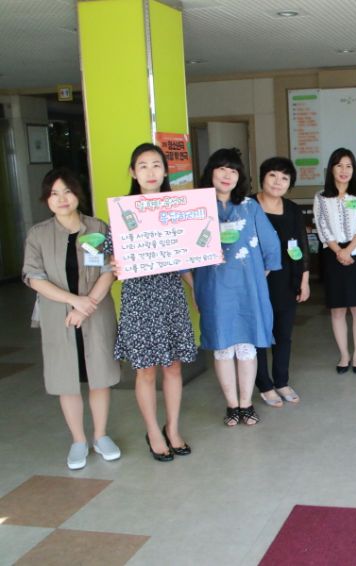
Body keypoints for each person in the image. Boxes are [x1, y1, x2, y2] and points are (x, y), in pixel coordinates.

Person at [22, 168, 122, 470]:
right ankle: (78, 440)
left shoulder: (98, 227)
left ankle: (101, 435)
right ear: (46, 199)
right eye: (54, 193)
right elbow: (33, 277)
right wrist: (73, 302)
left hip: (95, 314)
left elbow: (109, 270)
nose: (62, 198)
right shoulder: (38, 234)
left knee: (99, 376)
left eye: (67, 191)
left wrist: (86, 306)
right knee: (66, 379)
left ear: (77, 193)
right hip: (59, 317)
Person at [109, 143, 197, 462]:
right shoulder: (122, 212)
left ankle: (172, 428)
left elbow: (187, 257)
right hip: (139, 299)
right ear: (133, 172)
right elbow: (110, 258)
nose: (150, 171)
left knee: (173, 367)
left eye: (156, 165)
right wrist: (114, 263)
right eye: (143, 165)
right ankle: (153, 432)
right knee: (145, 370)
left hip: (170, 296)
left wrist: (197, 291)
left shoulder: (179, 211)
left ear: (165, 171)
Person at [192, 148, 281, 426]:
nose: (227, 175)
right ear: (210, 172)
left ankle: (246, 403)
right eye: (221, 168)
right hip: (213, 289)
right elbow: (184, 255)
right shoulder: (196, 208)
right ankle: (232, 405)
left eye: (233, 170)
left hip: (248, 289)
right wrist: (196, 288)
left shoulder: (250, 206)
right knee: (222, 347)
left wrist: (255, 278)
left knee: (246, 347)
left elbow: (271, 246)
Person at [250, 157, 310, 407]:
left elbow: (302, 246)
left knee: (283, 333)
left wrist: (304, 280)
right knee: (259, 335)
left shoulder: (292, 209)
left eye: (284, 178)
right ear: (263, 177)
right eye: (273, 175)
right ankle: (264, 384)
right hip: (256, 280)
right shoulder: (248, 206)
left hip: (286, 279)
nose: (278, 182)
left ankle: (282, 381)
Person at [313, 148, 356, 373]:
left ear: (353, 169)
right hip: (332, 254)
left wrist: (348, 250)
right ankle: (344, 355)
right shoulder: (321, 197)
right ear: (331, 169)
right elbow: (322, 226)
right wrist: (339, 251)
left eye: (348, 166)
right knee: (337, 310)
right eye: (339, 165)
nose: (344, 170)